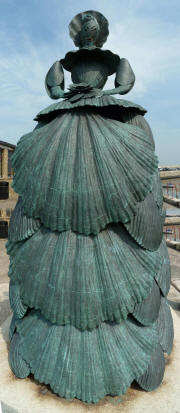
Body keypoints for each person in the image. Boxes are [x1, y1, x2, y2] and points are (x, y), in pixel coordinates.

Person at [7, 10, 173, 403]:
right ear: (109, 73)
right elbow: (150, 229)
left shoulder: (41, 128)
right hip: (122, 279)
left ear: (72, 72)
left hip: (51, 281)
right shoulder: (132, 122)